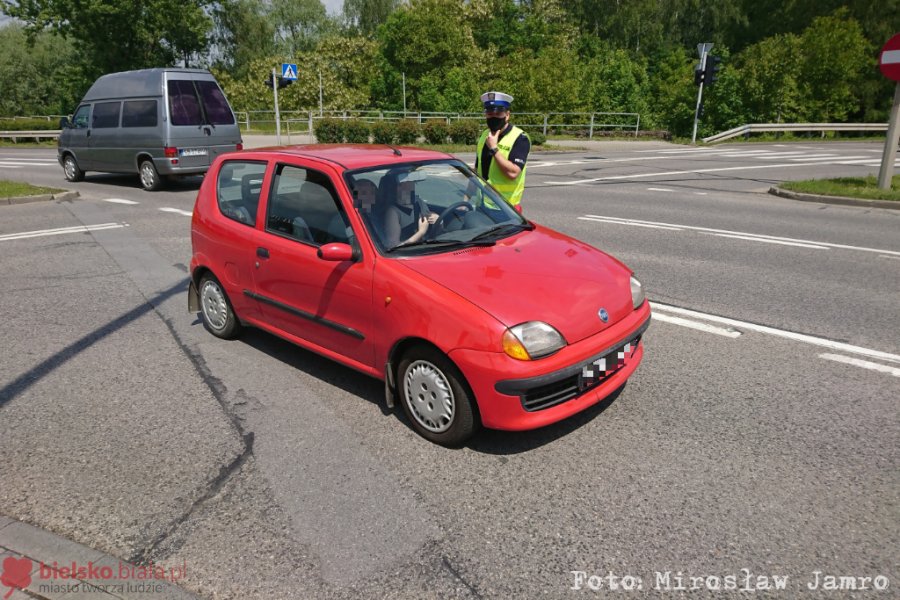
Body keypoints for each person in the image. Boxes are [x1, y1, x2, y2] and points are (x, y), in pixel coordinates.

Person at [475, 91, 530, 212]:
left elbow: (513, 173)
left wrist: (494, 149)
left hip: (505, 208)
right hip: (481, 203)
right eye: (489, 113)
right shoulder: (484, 135)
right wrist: (467, 198)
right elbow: (476, 172)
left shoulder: (520, 138)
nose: (493, 117)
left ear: (507, 115)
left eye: (498, 113)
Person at [383, 170, 438, 248]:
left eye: (411, 181)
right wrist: (421, 232)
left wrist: (438, 221)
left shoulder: (418, 202)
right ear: (395, 187)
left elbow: (432, 225)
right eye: (402, 184)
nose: (410, 185)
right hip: (409, 254)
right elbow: (394, 246)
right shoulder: (393, 212)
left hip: (429, 247)